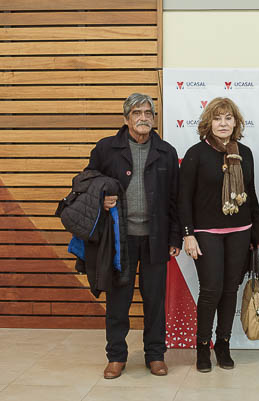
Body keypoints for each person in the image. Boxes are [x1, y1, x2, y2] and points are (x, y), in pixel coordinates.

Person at [86, 93, 181, 379]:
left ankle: (156, 355)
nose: (143, 118)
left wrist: (174, 238)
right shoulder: (106, 149)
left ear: (154, 118)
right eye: (137, 113)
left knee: (155, 301)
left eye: (148, 113)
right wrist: (101, 198)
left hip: (156, 238)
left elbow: (175, 199)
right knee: (118, 301)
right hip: (119, 240)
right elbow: (86, 182)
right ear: (126, 118)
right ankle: (116, 356)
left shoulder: (166, 151)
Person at [178, 97, 258, 373]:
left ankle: (223, 344)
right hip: (206, 233)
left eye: (228, 118)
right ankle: (203, 346)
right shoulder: (196, 154)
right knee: (211, 290)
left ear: (236, 123)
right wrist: (187, 234)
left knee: (230, 289)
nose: (223, 123)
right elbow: (183, 198)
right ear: (208, 123)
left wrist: (255, 235)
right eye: (217, 118)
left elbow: (251, 194)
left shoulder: (245, 153)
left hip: (240, 232)